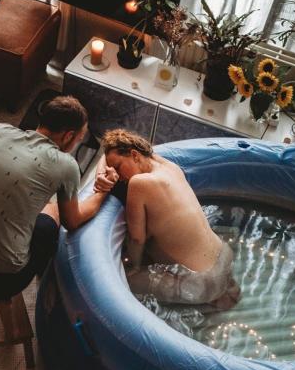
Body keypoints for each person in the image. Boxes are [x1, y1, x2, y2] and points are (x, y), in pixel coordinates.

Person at [0, 95, 118, 299]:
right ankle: (47, 282)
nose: (77, 142)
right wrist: (104, 191)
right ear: (69, 136)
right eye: (79, 139)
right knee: (52, 210)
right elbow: (73, 221)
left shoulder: (0, 131)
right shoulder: (66, 165)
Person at [102, 129, 240, 309]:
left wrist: (134, 266)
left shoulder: (139, 183)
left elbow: (136, 239)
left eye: (118, 167)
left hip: (201, 283)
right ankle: (223, 292)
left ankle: (208, 302)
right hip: (224, 255)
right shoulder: (169, 166)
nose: (118, 177)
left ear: (134, 155)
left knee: (122, 279)